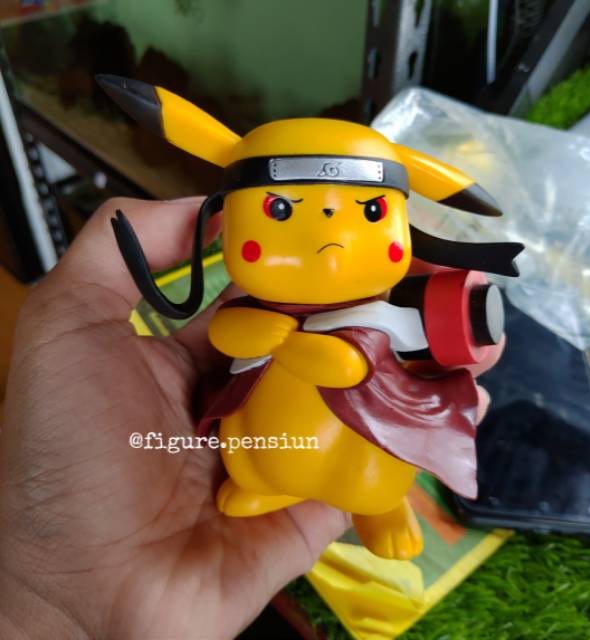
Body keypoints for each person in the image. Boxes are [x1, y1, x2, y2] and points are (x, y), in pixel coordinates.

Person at [0, 197, 498, 639]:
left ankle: (381, 509)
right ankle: (271, 487)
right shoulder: (256, 307)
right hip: (263, 445)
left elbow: (359, 363)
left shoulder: (378, 314)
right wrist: (264, 336)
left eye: (370, 212)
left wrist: (307, 350)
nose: (324, 226)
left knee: (376, 479)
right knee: (246, 458)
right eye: (280, 210)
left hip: (355, 447)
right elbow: (229, 334)